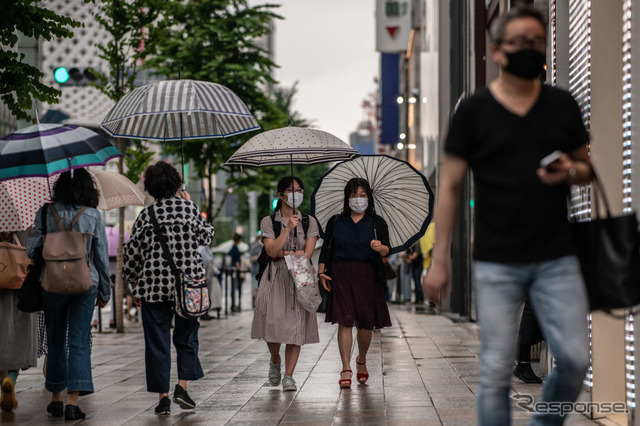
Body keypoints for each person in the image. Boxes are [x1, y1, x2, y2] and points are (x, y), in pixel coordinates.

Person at [423, 5, 593, 425]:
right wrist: (439, 261)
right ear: (497, 51)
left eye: (537, 43)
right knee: (496, 370)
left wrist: (568, 172)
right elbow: (449, 187)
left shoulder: (562, 105)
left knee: (573, 359)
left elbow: (586, 167)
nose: (529, 50)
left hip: (558, 254)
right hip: (496, 258)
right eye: (518, 43)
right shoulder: (473, 112)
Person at [123, 161, 213, 415]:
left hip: (153, 288)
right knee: (186, 337)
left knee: (157, 342)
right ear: (176, 184)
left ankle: (163, 396)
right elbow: (206, 237)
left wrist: (133, 283)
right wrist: (189, 201)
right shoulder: (189, 209)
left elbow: (133, 253)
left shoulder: (146, 215)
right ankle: (182, 387)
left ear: (151, 187)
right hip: (189, 287)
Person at [27, 169, 111, 420]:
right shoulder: (93, 215)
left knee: (55, 340)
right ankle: (72, 402)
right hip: (86, 283)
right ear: (89, 189)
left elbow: (32, 251)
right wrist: (105, 291)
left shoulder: (45, 212)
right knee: (78, 341)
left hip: (51, 283)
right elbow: (102, 258)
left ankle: (55, 398)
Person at [318, 178, 392, 388]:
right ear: (346, 197)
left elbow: (389, 249)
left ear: (368, 197)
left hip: (368, 275)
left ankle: (361, 359)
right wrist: (321, 271)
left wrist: (381, 248)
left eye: (361, 195)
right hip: (341, 275)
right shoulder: (336, 221)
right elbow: (326, 248)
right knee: (345, 320)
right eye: (353, 194)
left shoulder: (377, 223)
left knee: (366, 324)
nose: (357, 199)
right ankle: (345, 368)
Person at [250, 176, 320, 392]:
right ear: (280, 195)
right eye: (291, 190)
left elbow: (306, 254)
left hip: (300, 276)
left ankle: (289, 376)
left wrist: (284, 252)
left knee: (296, 326)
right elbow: (271, 252)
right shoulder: (268, 222)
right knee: (273, 324)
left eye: (299, 190)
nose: (296, 194)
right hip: (275, 278)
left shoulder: (309, 221)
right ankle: (275, 358)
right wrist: (288, 229)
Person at [0, 230, 37, 413]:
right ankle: (11, 380)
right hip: (19, 287)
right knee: (19, 337)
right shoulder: (24, 222)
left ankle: (3, 382)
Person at [228, 233, 243, 312]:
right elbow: (237, 261)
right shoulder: (235, 248)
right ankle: (233, 305)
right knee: (234, 288)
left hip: (231, 269)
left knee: (233, 288)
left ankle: (233, 304)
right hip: (235, 270)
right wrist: (239, 270)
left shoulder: (232, 247)